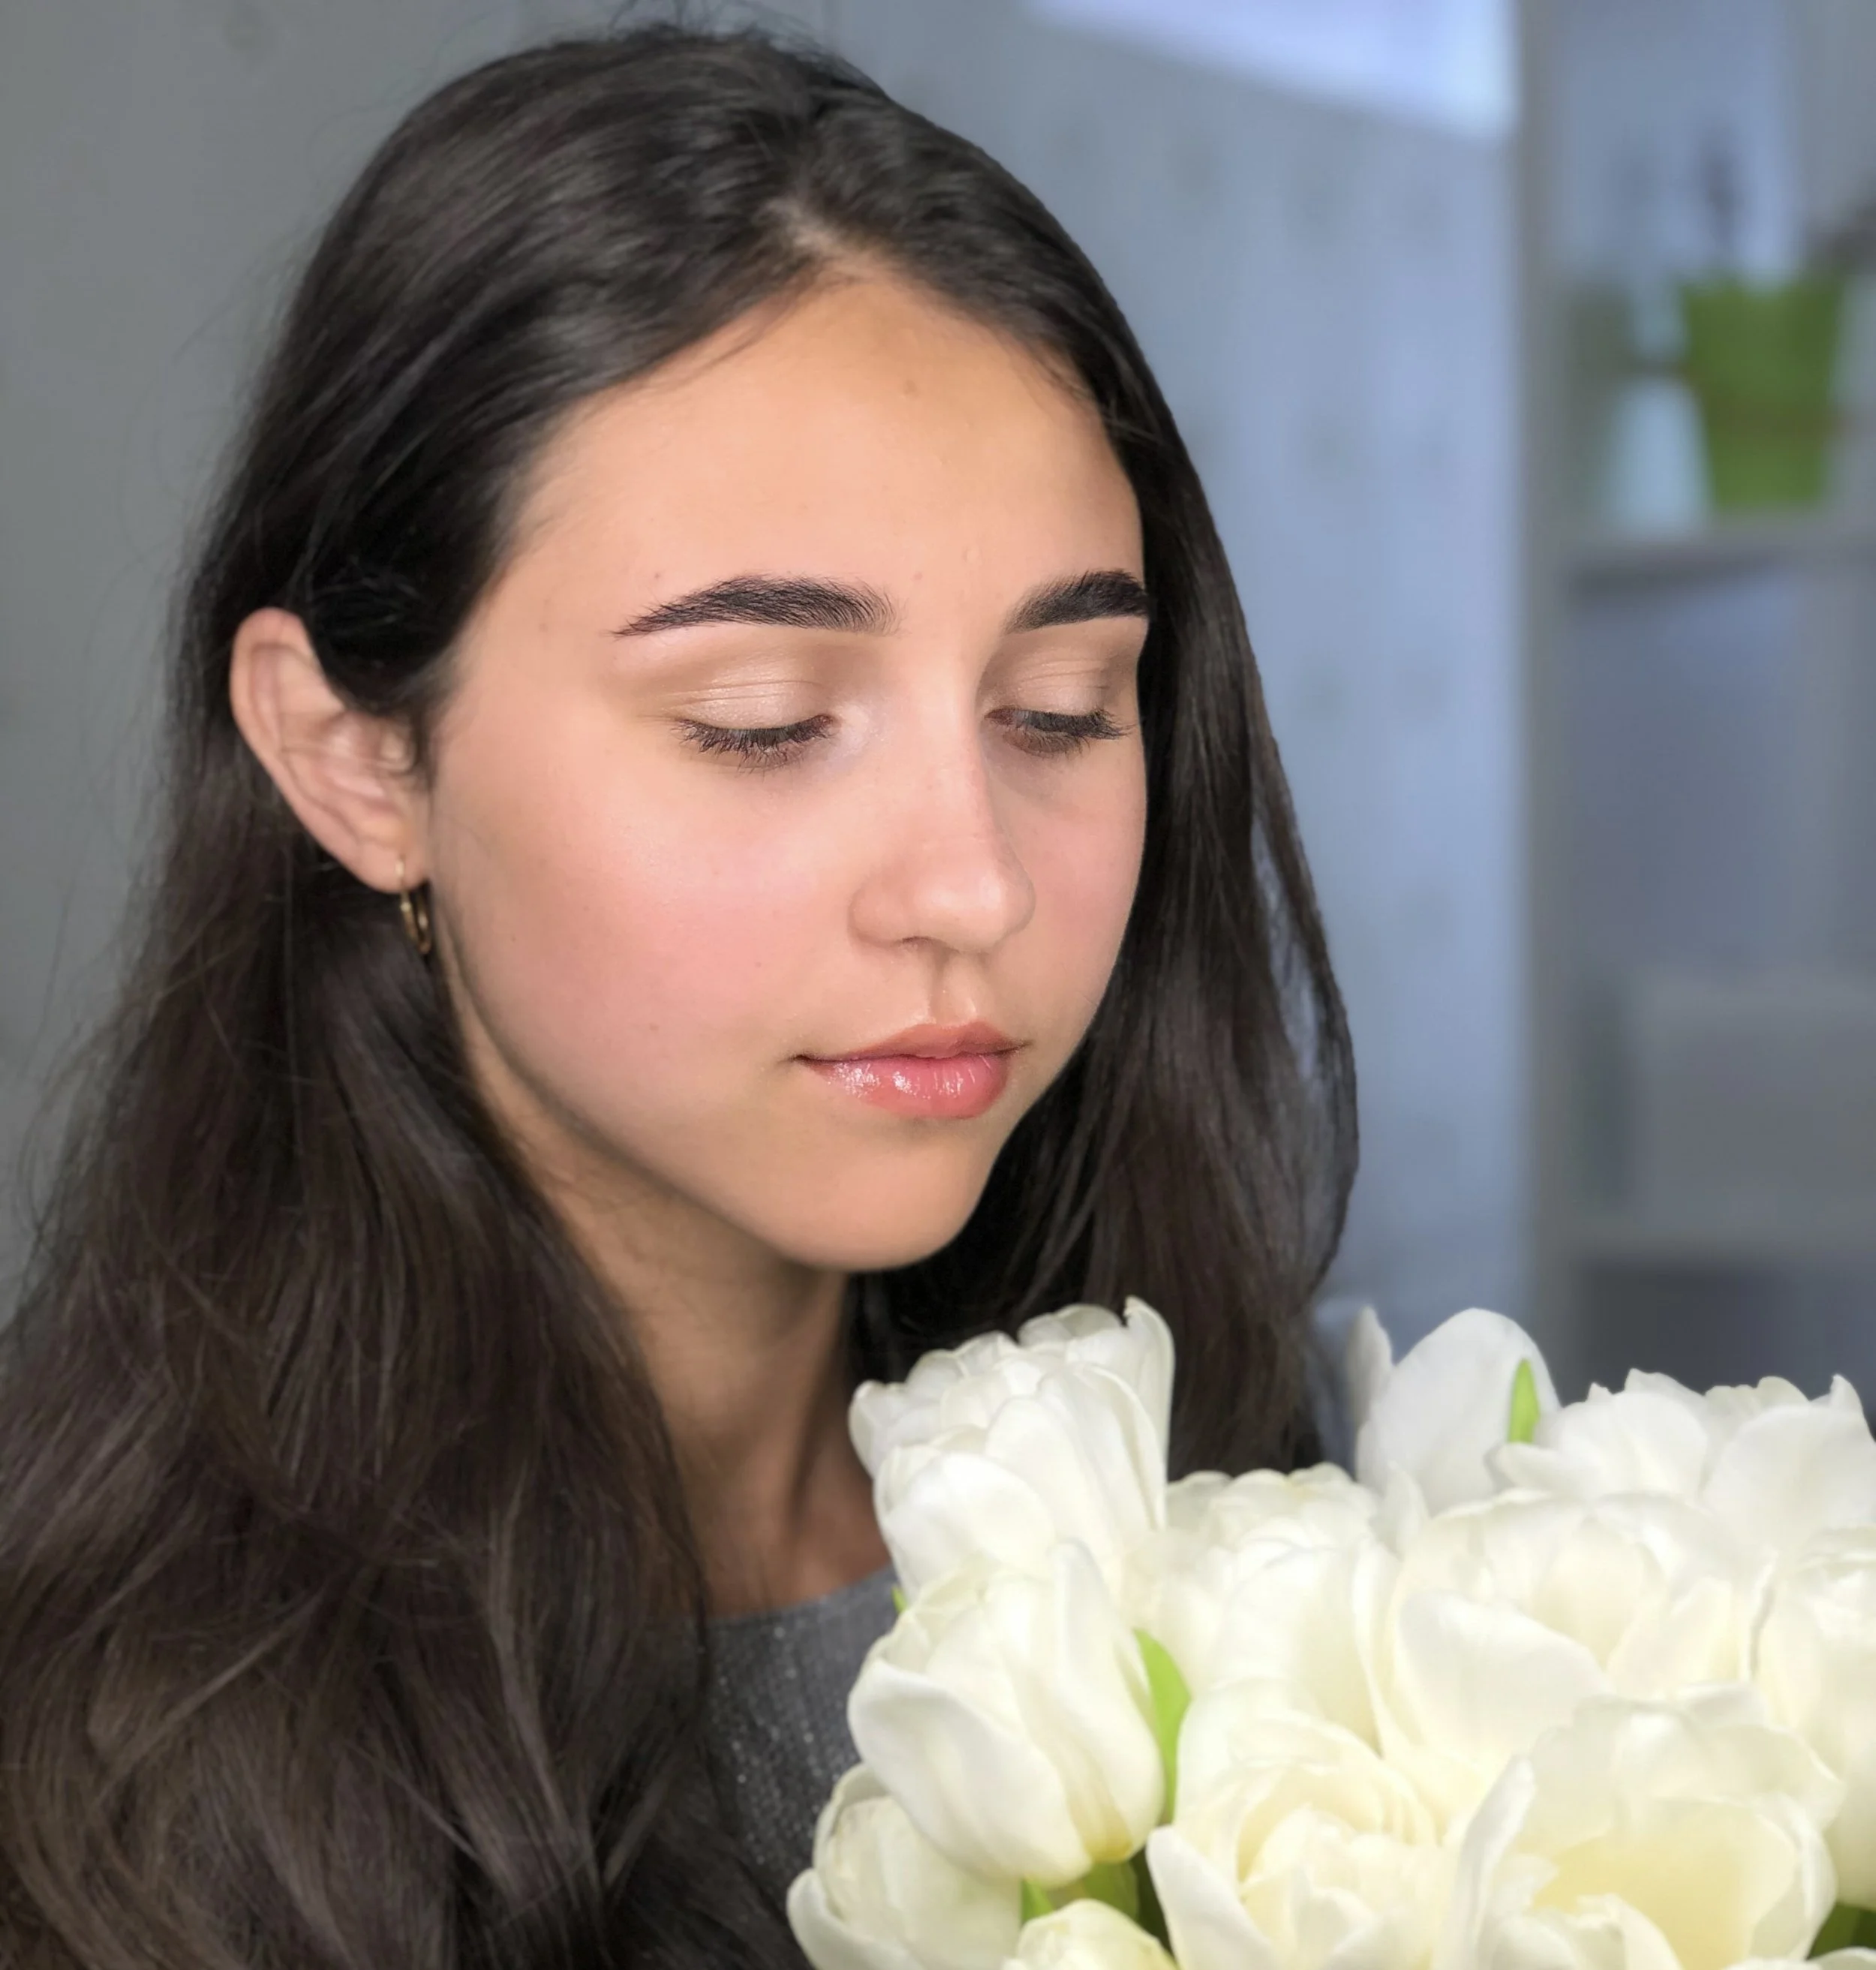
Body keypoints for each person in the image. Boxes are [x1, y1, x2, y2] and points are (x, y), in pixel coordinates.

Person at [0, 20, 1355, 1968]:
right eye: (762, 724)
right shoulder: (102, 1762)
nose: (971, 884)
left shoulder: (1272, 1524)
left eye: (1057, 712)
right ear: (357, 761)